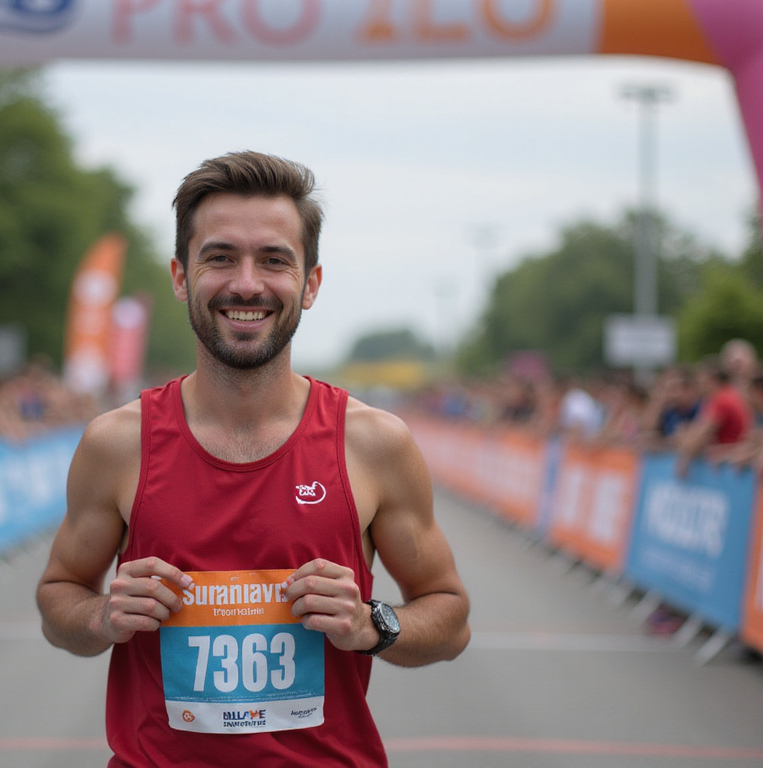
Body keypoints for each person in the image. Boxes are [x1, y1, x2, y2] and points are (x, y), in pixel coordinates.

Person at [36, 151, 470, 767]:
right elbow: (60, 598)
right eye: (219, 257)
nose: (246, 284)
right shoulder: (118, 442)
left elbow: (449, 619)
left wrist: (374, 625)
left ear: (310, 283)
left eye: (274, 260)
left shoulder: (374, 443)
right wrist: (102, 615)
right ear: (181, 277)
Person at [675, 355, 750, 476]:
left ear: (712, 379)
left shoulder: (722, 400)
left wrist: (684, 458)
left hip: (728, 468)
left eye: (701, 379)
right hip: (725, 460)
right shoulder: (725, 396)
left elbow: (700, 434)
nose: (699, 384)